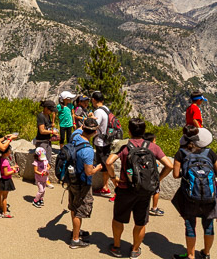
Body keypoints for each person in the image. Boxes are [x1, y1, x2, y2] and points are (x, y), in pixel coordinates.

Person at [106, 118, 173, 258]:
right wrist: (157, 180)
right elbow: (170, 165)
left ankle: (116, 247)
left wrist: (113, 178)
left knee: (118, 219)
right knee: (140, 222)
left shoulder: (124, 145)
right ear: (143, 131)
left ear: (129, 131)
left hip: (125, 188)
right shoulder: (153, 147)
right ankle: (135, 250)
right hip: (144, 190)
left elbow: (109, 162)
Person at [171, 125, 217, 259]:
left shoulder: (181, 153)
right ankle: (206, 253)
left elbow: (175, 174)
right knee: (208, 224)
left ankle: (190, 255)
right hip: (209, 195)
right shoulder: (210, 153)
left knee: (190, 225)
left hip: (189, 195)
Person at [69, 118, 103, 249]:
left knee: (73, 206)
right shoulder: (88, 150)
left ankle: (76, 230)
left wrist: (87, 121)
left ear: (83, 128)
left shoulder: (75, 136)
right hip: (82, 183)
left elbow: (79, 128)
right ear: (94, 132)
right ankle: (75, 240)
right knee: (79, 210)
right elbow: (89, 172)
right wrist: (98, 168)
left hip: (72, 179)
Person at [91, 91, 112, 197]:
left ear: (93, 100)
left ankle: (106, 188)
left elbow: (94, 125)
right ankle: (105, 186)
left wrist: (90, 119)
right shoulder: (106, 109)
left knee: (104, 165)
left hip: (100, 142)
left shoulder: (98, 112)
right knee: (105, 164)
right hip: (107, 140)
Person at [35, 100, 59, 188]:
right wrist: (52, 131)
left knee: (47, 161)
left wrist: (52, 129)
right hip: (41, 142)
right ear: (45, 108)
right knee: (41, 161)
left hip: (47, 141)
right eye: (50, 110)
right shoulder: (41, 116)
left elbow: (47, 127)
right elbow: (41, 130)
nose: (51, 112)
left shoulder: (47, 115)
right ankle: (39, 179)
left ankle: (45, 179)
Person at [143, 132, 164, 217]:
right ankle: (154, 208)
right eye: (154, 140)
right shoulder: (154, 148)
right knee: (156, 190)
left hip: (141, 173)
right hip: (152, 174)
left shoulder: (141, 147)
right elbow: (169, 165)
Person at [0, 145, 18, 218]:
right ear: (6, 152)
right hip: (6, 180)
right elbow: (6, 173)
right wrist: (14, 171)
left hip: (1, 179)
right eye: (9, 151)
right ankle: (5, 212)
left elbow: (4, 169)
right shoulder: (5, 161)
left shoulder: (1, 159)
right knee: (5, 197)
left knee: (0, 193)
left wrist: (12, 167)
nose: (10, 152)